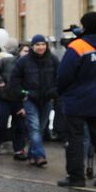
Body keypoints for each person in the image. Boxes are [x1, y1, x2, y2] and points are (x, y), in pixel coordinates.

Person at [55, 11, 96, 188]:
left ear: (85, 26)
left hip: (78, 98)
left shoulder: (78, 46)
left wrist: (62, 91)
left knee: (75, 138)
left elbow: (64, 75)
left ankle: (76, 177)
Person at [14, 34, 59, 168]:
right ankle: (39, 156)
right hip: (30, 99)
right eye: (37, 44)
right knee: (34, 127)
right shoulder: (23, 61)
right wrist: (23, 93)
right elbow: (15, 80)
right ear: (32, 46)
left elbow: (60, 77)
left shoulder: (53, 60)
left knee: (40, 128)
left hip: (47, 99)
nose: (41, 47)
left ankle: (32, 154)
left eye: (43, 44)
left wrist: (54, 92)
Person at [0, 42, 29, 160]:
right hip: (5, 98)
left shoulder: (30, 66)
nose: (27, 54)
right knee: (1, 124)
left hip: (20, 100)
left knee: (20, 126)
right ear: (19, 52)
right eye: (25, 51)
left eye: (29, 52)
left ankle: (19, 150)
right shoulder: (7, 61)